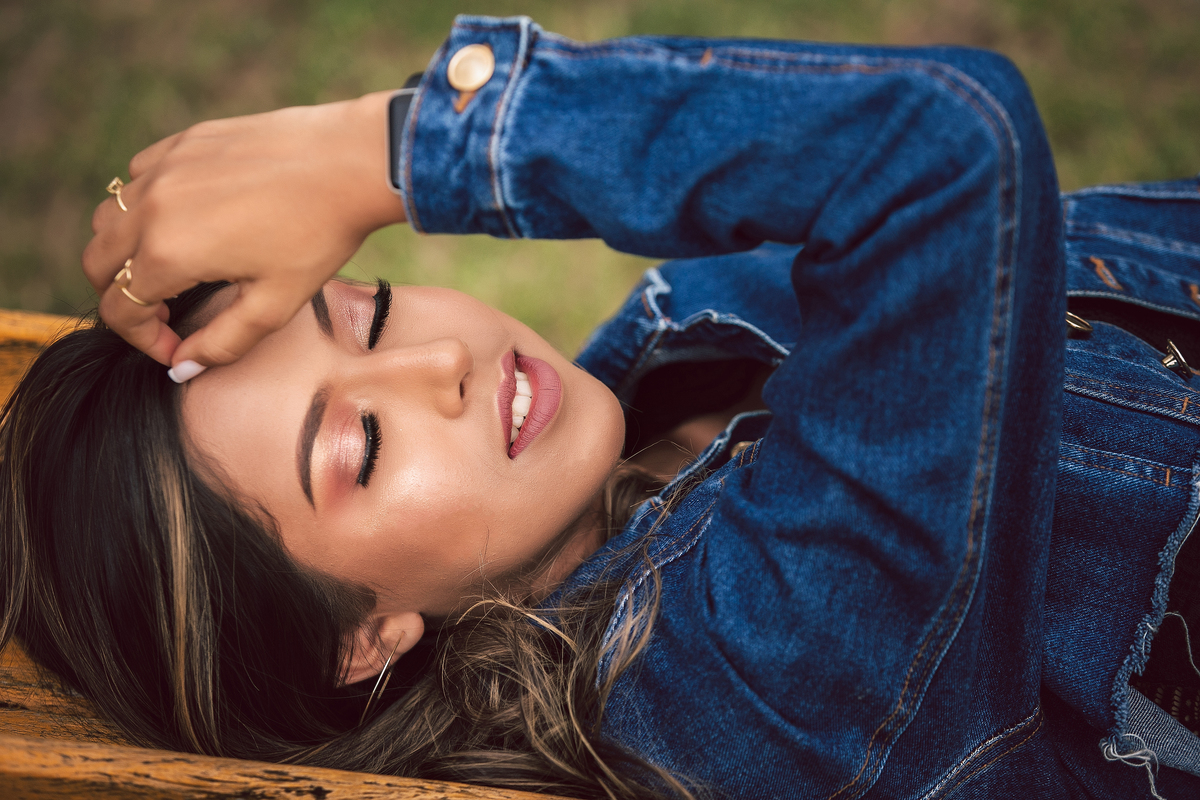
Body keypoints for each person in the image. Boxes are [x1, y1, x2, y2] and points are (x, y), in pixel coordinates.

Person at [2, 13, 1199, 799]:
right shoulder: (741, 687)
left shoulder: (662, 365)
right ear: (356, 638)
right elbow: (937, 153)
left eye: (361, 314)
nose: (439, 366)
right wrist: (384, 153)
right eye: (358, 446)